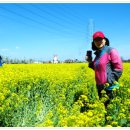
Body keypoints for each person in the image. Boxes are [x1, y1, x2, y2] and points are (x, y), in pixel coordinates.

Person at [86, 31, 123, 107]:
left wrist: (109, 82)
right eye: (96, 40)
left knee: (111, 108)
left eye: (100, 39)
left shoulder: (111, 50)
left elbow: (119, 68)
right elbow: (98, 69)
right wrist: (90, 62)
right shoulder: (98, 54)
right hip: (100, 86)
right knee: (104, 109)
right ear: (94, 42)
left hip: (109, 86)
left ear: (105, 40)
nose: (98, 42)